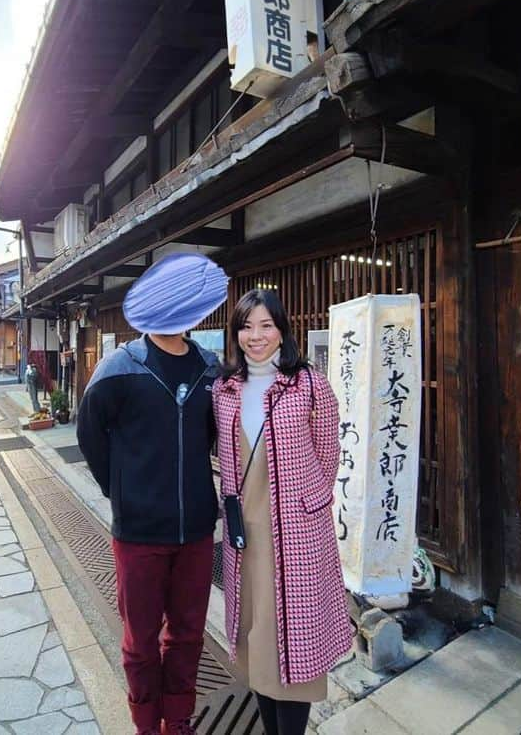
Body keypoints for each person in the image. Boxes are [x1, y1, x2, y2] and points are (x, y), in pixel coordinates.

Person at [77, 253, 228, 735]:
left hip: (197, 530)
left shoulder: (211, 369)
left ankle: (178, 720)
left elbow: (215, 434)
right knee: (140, 638)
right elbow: (90, 435)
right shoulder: (119, 369)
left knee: (187, 634)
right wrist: (120, 490)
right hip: (139, 532)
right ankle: (146, 722)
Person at [212, 289, 350, 735]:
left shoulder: (309, 384)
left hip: (297, 537)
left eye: (266, 325)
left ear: (282, 330)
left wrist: (302, 506)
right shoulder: (225, 389)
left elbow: (328, 458)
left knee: (295, 639)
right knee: (256, 636)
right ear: (236, 333)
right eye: (246, 326)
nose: (255, 336)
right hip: (245, 538)